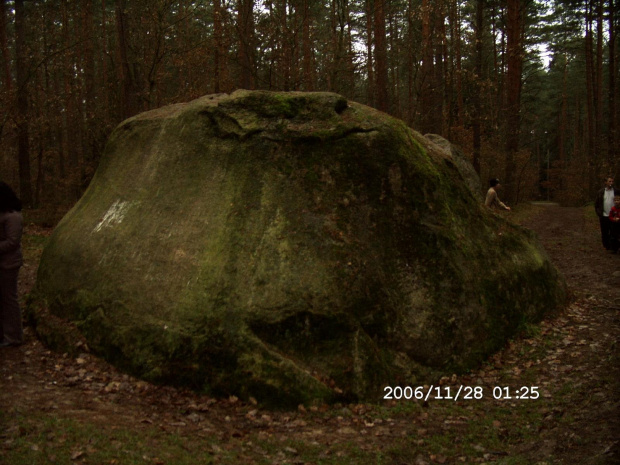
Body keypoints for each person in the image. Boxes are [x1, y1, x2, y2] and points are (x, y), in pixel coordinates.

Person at [0, 182, 24, 347]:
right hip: (2, 262)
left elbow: (12, 242)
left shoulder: (13, 216)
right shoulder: (3, 214)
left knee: (9, 299)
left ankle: (14, 337)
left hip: (8, 264)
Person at [594, 177, 618, 251]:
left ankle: (613, 246)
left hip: (614, 215)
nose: (611, 183)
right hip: (604, 215)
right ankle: (606, 245)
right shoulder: (601, 192)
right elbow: (597, 203)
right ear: (606, 182)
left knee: (614, 232)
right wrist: (599, 213)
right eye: (609, 181)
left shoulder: (616, 191)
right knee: (604, 231)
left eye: (612, 181)